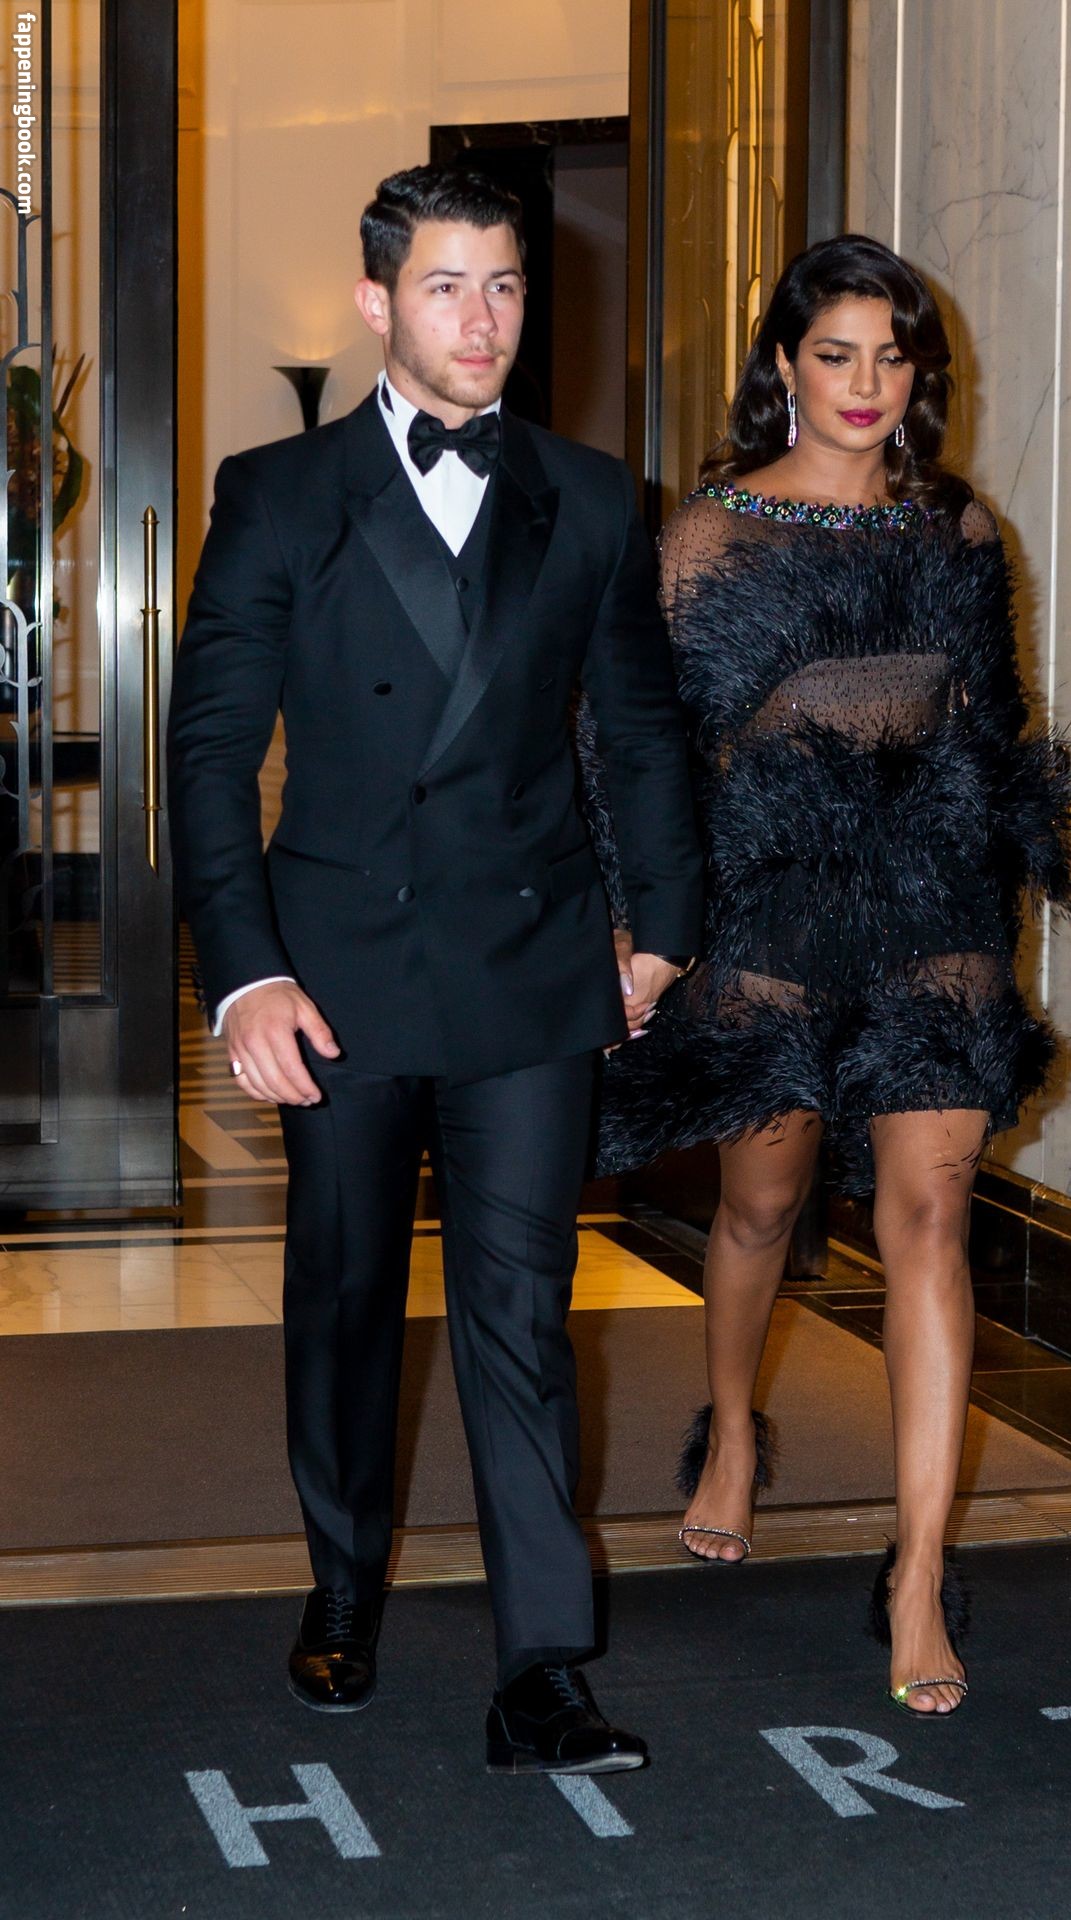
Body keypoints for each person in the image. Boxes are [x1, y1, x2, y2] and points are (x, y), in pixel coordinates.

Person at [167, 164, 702, 1773]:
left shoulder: (592, 496)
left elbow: (643, 730)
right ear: (376, 302)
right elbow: (209, 756)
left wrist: (663, 926)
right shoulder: (279, 492)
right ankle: (345, 1579)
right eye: (448, 286)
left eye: (508, 286)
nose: (484, 320)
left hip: (531, 963)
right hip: (337, 976)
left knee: (522, 1315)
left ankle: (542, 1664)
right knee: (344, 1298)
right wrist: (245, 975)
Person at [595, 234, 1071, 1716]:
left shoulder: (959, 528)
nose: (866, 384)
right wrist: (639, 928)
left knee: (930, 1212)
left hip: (933, 899)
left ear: (918, 373)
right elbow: (651, 755)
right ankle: (734, 1426)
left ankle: (919, 1571)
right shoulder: (709, 536)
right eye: (835, 354)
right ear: (785, 366)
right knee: (764, 1200)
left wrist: (995, 898)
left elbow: (994, 732)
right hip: (774, 901)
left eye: (892, 355)